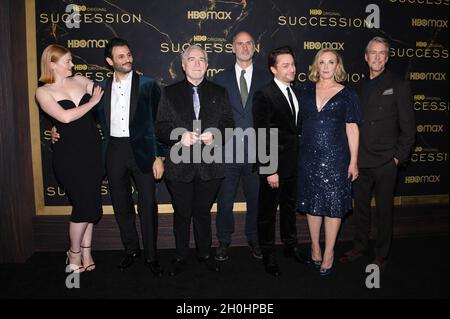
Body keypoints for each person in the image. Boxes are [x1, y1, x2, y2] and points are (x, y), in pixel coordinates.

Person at [52, 38, 165, 276]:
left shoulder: (148, 84)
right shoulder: (99, 89)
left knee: (147, 205)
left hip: (143, 151)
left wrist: (159, 157)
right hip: (114, 150)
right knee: (121, 205)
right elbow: (82, 118)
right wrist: (57, 129)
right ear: (109, 61)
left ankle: (152, 256)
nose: (127, 59)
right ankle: (131, 250)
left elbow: (159, 124)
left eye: (129, 54)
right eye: (121, 56)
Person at [156, 45, 234, 276]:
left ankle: (205, 254)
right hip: (179, 168)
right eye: (192, 59)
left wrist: (216, 135)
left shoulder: (220, 93)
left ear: (207, 65)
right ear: (183, 65)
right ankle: (180, 255)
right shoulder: (169, 93)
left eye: (202, 59)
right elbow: (160, 128)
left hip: (210, 167)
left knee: (202, 213)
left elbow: (229, 125)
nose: (197, 63)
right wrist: (180, 135)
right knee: (182, 213)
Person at [339, 37, 416, 271]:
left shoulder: (399, 85)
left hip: (385, 161)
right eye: (373, 52)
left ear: (387, 57)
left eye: (382, 53)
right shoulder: (358, 88)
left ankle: (382, 253)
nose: (377, 57)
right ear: (366, 57)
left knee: (384, 210)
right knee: (360, 208)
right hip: (361, 161)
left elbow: (409, 127)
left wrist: (396, 159)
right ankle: (360, 246)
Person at [36, 44, 104, 273]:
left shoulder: (81, 79)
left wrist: (131, 77)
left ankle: (87, 250)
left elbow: (109, 91)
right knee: (83, 206)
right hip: (68, 156)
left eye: (71, 60)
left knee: (92, 203)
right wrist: (91, 103)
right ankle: (73, 252)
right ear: (52, 64)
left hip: (93, 151)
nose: (72, 65)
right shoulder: (43, 92)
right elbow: (64, 118)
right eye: (67, 61)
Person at [296, 48, 362, 276]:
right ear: (316, 65)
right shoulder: (304, 90)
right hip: (308, 157)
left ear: (337, 66)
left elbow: (352, 128)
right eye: (321, 62)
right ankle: (315, 246)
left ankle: (329, 252)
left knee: (333, 207)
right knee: (313, 205)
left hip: (336, 158)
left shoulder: (348, 94)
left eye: (330, 62)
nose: (325, 66)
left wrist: (353, 161)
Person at [213, 31, 272, 261]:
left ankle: (254, 238)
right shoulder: (220, 79)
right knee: (225, 200)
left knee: (256, 198)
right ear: (232, 48)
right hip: (227, 151)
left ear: (255, 47)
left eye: (249, 43)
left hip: (257, 151)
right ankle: (224, 240)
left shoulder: (267, 78)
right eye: (240, 43)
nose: (245, 47)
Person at [253, 46, 310, 277]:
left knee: (289, 208)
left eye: (293, 64)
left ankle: (290, 246)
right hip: (274, 167)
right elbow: (262, 134)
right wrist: (270, 170)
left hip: (294, 164)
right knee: (267, 212)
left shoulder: (297, 92)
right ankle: (268, 253)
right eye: (285, 65)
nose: (292, 69)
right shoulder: (264, 94)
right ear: (273, 69)